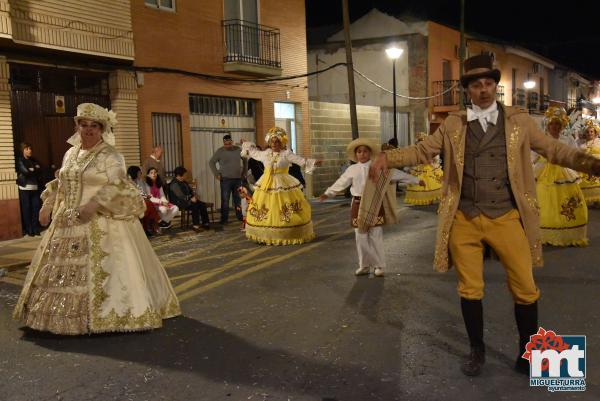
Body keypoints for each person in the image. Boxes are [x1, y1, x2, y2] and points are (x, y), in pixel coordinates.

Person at [368, 54, 600, 377]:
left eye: (489, 83)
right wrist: (387, 158)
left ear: (495, 86)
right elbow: (423, 151)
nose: (484, 90)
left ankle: (528, 352)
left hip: (506, 215)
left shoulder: (518, 121)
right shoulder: (453, 124)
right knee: (469, 289)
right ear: (468, 90)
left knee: (525, 287)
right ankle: (476, 350)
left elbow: (552, 148)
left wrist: (590, 163)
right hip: (464, 217)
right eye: (477, 85)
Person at [13, 103, 180, 334]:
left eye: (94, 126)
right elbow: (62, 182)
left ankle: (105, 317)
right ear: (77, 126)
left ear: (102, 129)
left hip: (103, 221)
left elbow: (120, 185)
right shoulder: (71, 153)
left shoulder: (111, 156)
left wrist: (94, 203)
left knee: (108, 272)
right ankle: (62, 318)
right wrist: (48, 204)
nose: (89, 130)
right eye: (84, 125)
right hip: (66, 222)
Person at [319, 138, 421, 277]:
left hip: (374, 203)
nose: (362, 154)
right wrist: (328, 193)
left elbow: (395, 175)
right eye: (359, 152)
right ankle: (364, 265)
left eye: (365, 151)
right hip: (357, 203)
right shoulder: (352, 169)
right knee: (360, 236)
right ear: (356, 155)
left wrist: (416, 180)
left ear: (369, 153)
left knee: (375, 235)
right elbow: (341, 183)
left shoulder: (376, 167)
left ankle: (379, 266)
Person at [240, 127, 321, 245]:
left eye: (277, 141)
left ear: (281, 142)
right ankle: (265, 235)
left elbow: (301, 160)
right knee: (266, 208)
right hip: (266, 184)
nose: (274, 144)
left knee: (284, 208)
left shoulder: (286, 154)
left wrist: (313, 162)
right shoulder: (266, 154)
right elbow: (254, 153)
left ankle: (286, 233)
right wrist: (247, 144)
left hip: (283, 183)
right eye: (272, 141)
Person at [532, 106, 588, 246]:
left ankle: (566, 231)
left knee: (566, 199)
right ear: (548, 124)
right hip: (544, 172)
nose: (555, 126)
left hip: (564, 172)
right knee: (545, 200)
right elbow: (532, 156)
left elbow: (575, 155)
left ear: (562, 125)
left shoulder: (567, 138)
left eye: (558, 123)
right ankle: (545, 229)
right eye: (552, 123)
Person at [209, 133, 246, 224]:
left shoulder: (238, 150)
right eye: (225, 144)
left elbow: (245, 160)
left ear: (232, 142)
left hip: (237, 179)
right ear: (223, 143)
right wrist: (216, 174)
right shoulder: (220, 151)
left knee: (238, 199)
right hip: (225, 179)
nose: (227, 146)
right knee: (225, 200)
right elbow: (211, 162)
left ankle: (239, 216)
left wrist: (244, 172)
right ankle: (224, 219)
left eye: (229, 144)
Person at [404, 132, 443, 205]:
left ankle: (429, 199)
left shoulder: (431, 149)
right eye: (419, 142)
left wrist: (431, 162)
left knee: (430, 183)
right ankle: (422, 199)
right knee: (420, 183)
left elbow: (436, 159)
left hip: (429, 168)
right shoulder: (415, 150)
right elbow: (412, 159)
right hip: (419, 168)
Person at [169, 166, 210, 231]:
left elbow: (190, 191)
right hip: (179, 202)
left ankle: (205, 223)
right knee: (195, 205)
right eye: (184, 175)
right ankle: (195, 225)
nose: (186, 176)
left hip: (187, 200)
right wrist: (191, 198)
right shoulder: (174, 184)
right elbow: (180, 196)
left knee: (202, 204)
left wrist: (194, 196)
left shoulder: (184, 182)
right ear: (179, 175)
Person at [16, 142, 42, 236]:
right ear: (23, 150)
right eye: (27, 149)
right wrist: (33, 169)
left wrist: (33, 169)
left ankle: (35, 228)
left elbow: (40, 170)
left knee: (36, 208)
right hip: (24, 188)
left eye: (30, 148)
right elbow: (25, 172)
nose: (29, 150)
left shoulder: (34, 160)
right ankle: (28, 229)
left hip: (35, 188)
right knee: (26, 209)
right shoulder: (20, 160)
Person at [127, 165, 161, 236]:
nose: (141, 174)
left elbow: (142, 192)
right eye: (139, 172)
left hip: (140, 202)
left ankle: (148, 228)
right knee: (148, 204)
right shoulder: (129, 182)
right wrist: (145, 197)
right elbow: (135, 194)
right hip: (132, 204)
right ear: (135, 173)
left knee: (147, 205)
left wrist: (146, 196)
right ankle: (155, 223)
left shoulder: (139, 181)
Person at [576, 119, 600, 206]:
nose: (590, 133)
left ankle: (597, 200)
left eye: (591, 131)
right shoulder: (580, 144)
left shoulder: (599, 143)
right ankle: (584, 200)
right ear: (585, 133)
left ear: (595, 132)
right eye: (588, 132)